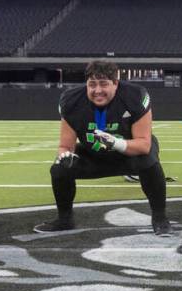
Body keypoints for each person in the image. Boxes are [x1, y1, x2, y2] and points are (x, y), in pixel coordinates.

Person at [33, 60, 171, 235]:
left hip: (129, 155)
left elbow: (143, 144)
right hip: (93, 155)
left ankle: (160, 218)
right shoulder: (71, 100)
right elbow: (65, 146)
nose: (97, 90)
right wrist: (65, 156)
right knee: (59, 169)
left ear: (116, 83)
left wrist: (115, 143)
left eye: (104, 84)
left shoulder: (134, 96)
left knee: (149, 160)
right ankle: (65, 219)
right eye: (92, 84)